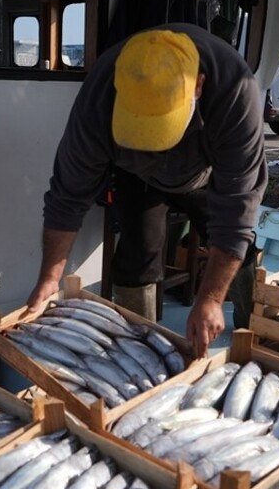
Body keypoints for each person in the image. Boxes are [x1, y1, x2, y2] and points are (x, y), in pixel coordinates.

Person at [27, 24, 266, 357]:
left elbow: (237, 212)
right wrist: (49, 279)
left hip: (206, 176)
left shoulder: (234, 90)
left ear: (198, 86)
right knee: (134, 264)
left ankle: (251, 333)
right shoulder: (99, 95)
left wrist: (210, 299)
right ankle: (137, 351)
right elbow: (67, 196)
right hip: (136, 175)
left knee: (236, 248)